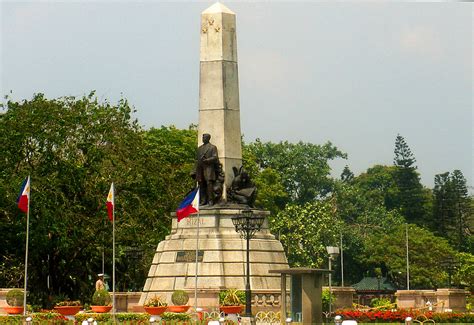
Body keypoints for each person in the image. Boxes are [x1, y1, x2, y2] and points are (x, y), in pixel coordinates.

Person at [191, 133, 219, 206]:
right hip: (200, 169)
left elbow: (215, 157)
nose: (203, 139)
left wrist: (207, 160)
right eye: (203, 137)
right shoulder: (200, 148)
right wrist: (194, 170)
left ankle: (210, 200)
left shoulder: (212, 147)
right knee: (201, 184)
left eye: (204, 138)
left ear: (208, 138)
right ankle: (203, 200)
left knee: (209, 183)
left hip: (208, 168)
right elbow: (196, 160)